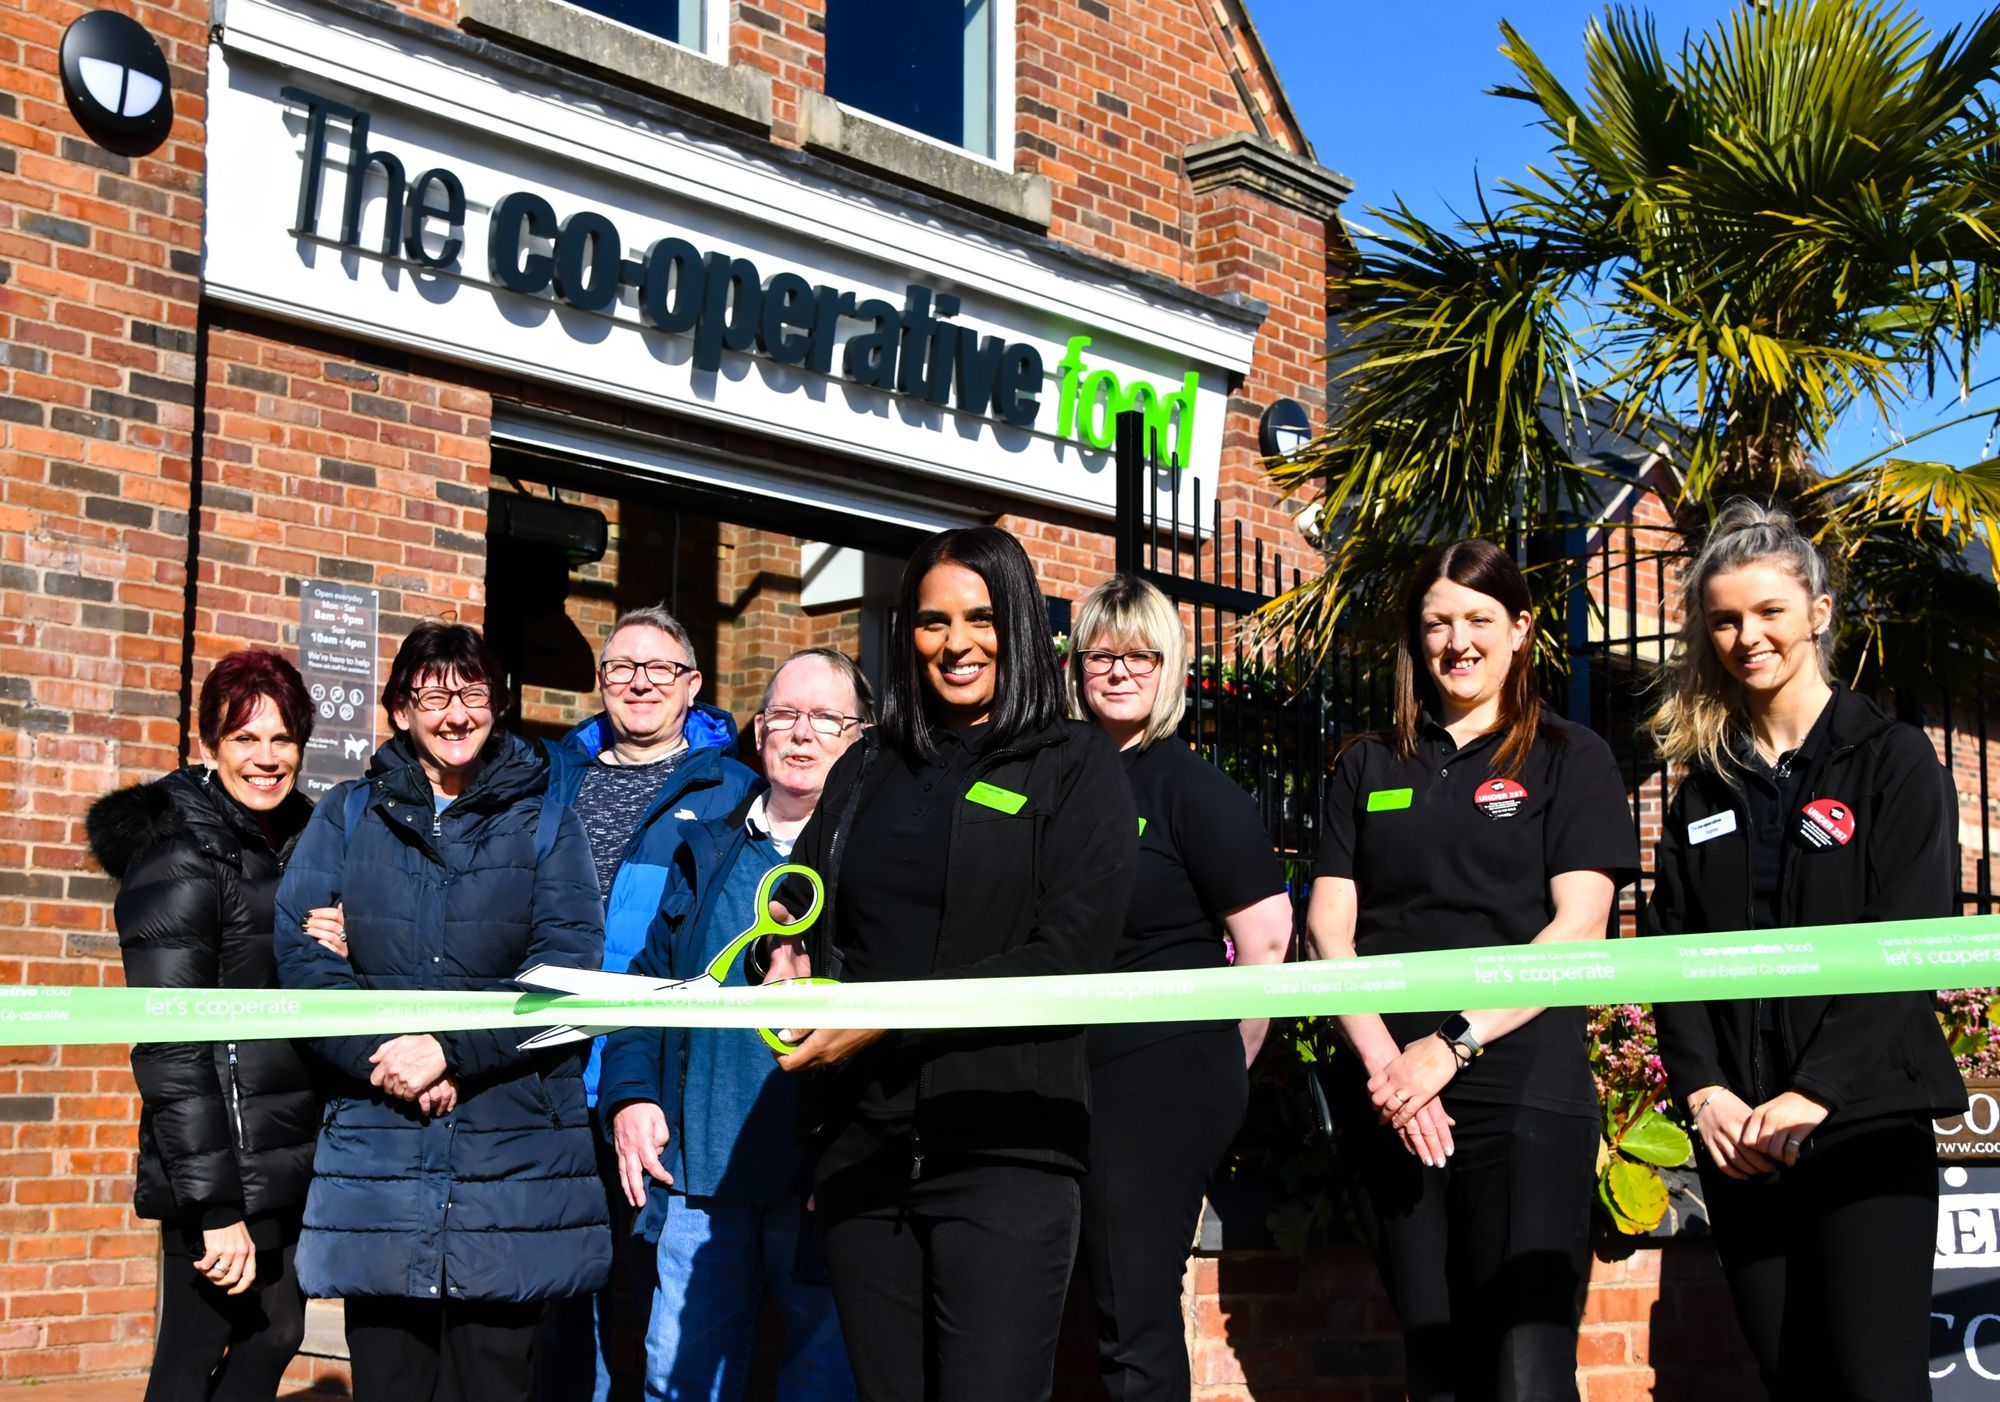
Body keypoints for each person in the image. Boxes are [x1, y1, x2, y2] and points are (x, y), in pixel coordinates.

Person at [766, 525, 1137, 1402]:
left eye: (978, 617)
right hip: (863, 1150)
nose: (956, 643)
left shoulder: (1076, 765)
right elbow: (797, 899)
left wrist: (881, 1017)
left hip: (1006, 1151)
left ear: (1016, 618)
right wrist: (782, 954)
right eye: (932, 622)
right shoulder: (865, 767)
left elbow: (1072, 956)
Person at [1641, 500, 1965, 1400]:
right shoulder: (1706, 785)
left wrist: (1813, 1092)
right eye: (1726, 619)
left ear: (1818, 613)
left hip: (1861, 1123)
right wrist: (1704, 1093)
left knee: (1875, 1384)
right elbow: (1670, 951)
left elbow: (1912, 944)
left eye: (1769, 612)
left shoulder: (1893, 760)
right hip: (1742, 1140)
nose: (1748, 636)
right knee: (1794, 1382)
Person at [1304, 540, 1639, 1402]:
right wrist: (1390, 1067)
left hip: (1522, 1088)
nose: (1458, 641)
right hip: (1392, 1093)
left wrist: (1448, 1047)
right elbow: (1326, 933)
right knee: (1436, 1370)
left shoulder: (1571, 758)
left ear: (1522, 630)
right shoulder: (1364, 766)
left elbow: (1579, 929)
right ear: (1416, 640)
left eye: (1480, 619)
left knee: (1525, 1373)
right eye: (1437, 623)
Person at [274, 621, 611, 1402]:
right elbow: (301, 963)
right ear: (398, 709)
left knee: (491, 1381)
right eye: (432, 695)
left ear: (498, 703)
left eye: (472, 693)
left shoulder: (548, 821)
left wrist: (451, 1049)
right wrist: (394, 1054)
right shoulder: (347, 817)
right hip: (380, 1151)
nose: (454, 713)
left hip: (509, 1153)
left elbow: (570, 973)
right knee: (389, 1379)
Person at [599, 647, 871, 1402]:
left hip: (820, 1176)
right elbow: (645, 992)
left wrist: (859, 1147)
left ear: (861, 738)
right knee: (677, 1382)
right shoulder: (707, 849)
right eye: (784, 714)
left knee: (822, 1385)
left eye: (826, 719)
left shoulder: (881, 864)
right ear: (757, 730)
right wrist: (631, 1097)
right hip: (699, 1179)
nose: (801, 733)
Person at [1064, 575, 1293, 1402]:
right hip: (1062, 1069)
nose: (1120, 671)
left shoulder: (1193, 790)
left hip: (1158, 1079)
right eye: (1102, 653)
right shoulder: (1057, 775)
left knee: (1133, 1308)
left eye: (1141, 655)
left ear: (1172, 668)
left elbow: (1267, 943)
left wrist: (1215, 1064)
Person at [85, 649, 319, 1402]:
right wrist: (214, 1208)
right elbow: (171, 1043)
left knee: (276, 1332)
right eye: (245, 738)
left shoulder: (300, 843)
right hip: (216, 1161)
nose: (267, 758)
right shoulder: (180, 854)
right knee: (194, 1352)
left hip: (281, 1144)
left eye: (282, 739)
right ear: (210, 745)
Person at [539, 605, 758, 1402]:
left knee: (649, 1295)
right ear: (599, 683)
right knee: (556, 1290)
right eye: (620, 668)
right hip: (545, 1071)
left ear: (692, 685)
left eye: (658, 668)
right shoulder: (549, 776)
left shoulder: (733, 789)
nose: (638, 682)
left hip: (652, 1078)